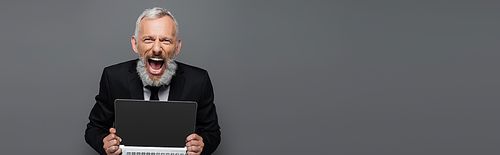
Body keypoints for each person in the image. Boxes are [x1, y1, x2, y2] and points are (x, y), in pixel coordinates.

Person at [84, 7, 221, 155]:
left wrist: (202, 144)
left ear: (177, 46)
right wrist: (105, 142)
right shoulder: (113, 78)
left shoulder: (198, 81)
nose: (156, 48)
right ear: (135, 44)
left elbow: (212, 132)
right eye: (148, 39)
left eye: (166, 40)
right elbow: (94, 128)